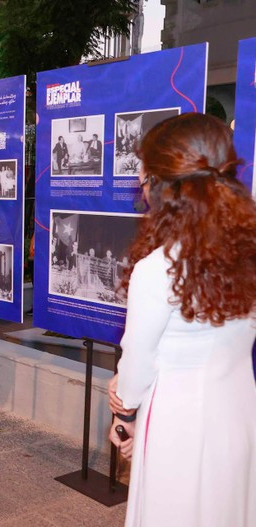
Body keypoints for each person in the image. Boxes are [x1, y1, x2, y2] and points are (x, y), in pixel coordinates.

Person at [107, 113, 256, 527]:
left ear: (165, 187)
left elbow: (138, 361)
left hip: (178, 426)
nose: (140, 179)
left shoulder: (159, 268)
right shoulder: (247, 254)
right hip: (240, 416)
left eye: (146, 171)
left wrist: (125, 416)